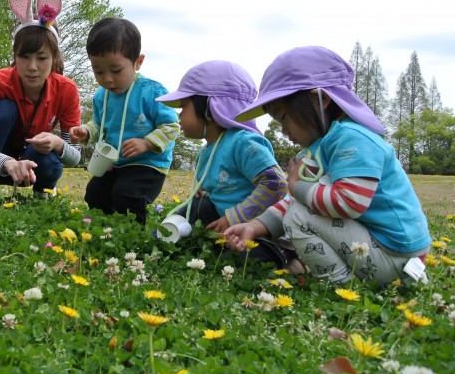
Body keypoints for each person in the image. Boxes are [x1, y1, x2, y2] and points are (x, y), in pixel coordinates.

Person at [223, 46, 431, 285]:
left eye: (283, 117)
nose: (283, 129)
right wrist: (254, 227)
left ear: (319, 100)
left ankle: (341, 286)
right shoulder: (323, 146)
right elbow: (300, 200)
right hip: (383, 252)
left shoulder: (352, 138)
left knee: (298, 216)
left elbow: (350, 201)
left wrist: (297, 186)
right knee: (300, 209)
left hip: (395, 257)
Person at [0, 0, 81, 218]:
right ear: (14, 55)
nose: (32, 67)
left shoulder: (66, 90)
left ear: (54, 58)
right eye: (24, 57)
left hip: (34, 166)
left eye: (42, 58)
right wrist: (7, 162)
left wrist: (57, 143)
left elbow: (74, 156)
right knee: (4, 109)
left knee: (50, 157)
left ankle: (43, 191)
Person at [154, 60, 292, 264]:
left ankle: (287, 257)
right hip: (226, 227)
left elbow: (275, 184)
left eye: (184, 107)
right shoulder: (207, 150)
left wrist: (234, 217)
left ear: (210, 108)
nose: (179, 114)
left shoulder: (243, 142)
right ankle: (161, 241)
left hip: (261, 233)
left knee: (238, 260)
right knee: (199, 205)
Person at [69, 17, 180, 225]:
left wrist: (146, 143)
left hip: (148, 165)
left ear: (137, 62)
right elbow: (98, 124)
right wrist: (86, 131)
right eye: (98, 71)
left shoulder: (152, 92)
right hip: (115, 163)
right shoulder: (102, 96)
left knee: (126, 193)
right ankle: (109, 227)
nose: (107, 79)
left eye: (116, 70)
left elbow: (172, 126)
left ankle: (135, 231)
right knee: (94, 192)